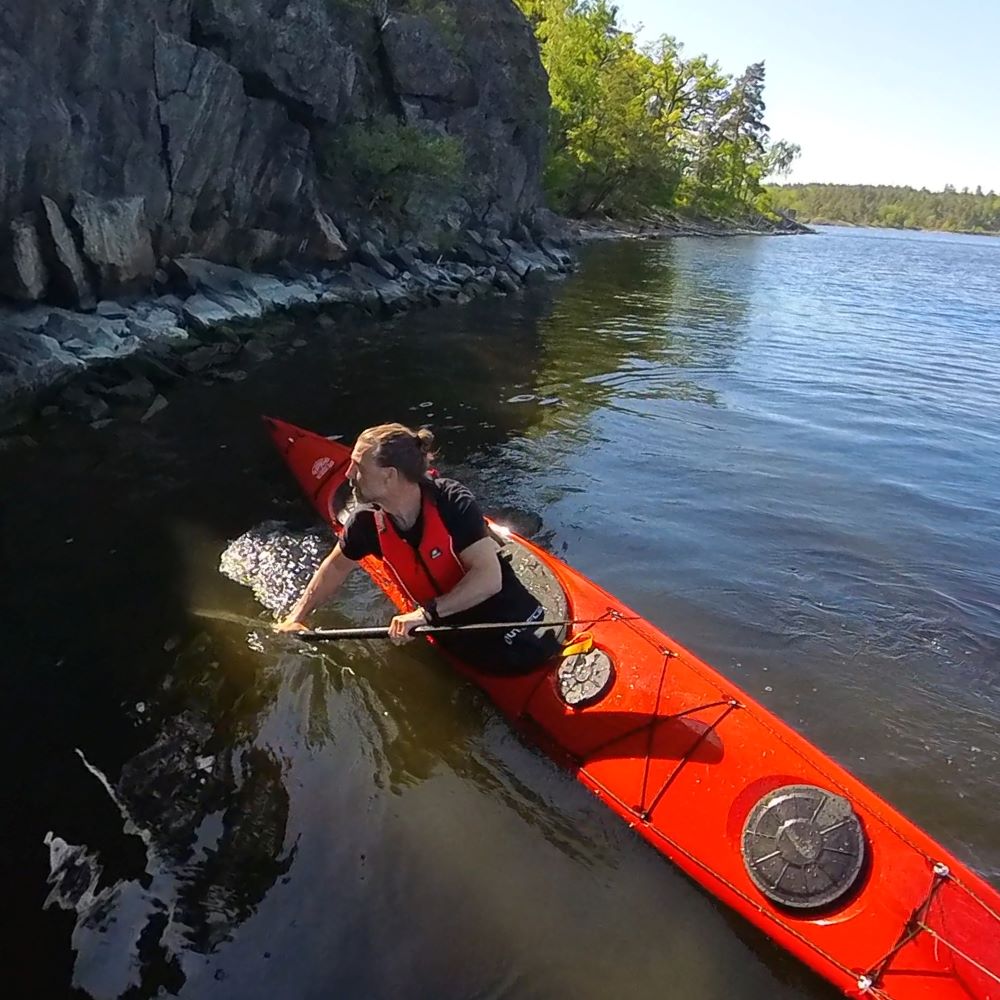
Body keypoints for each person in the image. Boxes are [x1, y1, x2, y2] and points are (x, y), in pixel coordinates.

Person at [274, 422, 561, 673]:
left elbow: (489, 578)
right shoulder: (365, 521)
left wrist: (423, 615)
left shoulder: (451, 501)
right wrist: (295, 617)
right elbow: (336, 565)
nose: (348, 474)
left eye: (358, 467)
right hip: (447, 626)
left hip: (499, 607)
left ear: (389, 476)